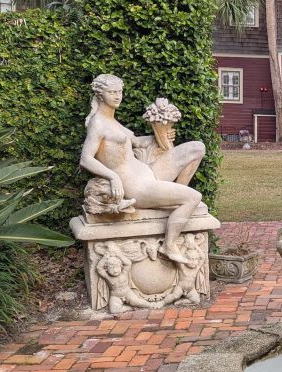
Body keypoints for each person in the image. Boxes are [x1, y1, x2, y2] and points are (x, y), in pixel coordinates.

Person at [79, 74, 205, 264]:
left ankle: (176, 200)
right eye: (112, 92)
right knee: (194, 197)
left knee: (197, 148)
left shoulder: (113, 121)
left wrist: (160, 134)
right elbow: (86, 159)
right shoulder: (98, 123)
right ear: (100, 95)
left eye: (120, 92)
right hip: (136, 186)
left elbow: (138, 142)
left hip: (149, 172)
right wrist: (112, 176)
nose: (117, 96)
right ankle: (169, 245)